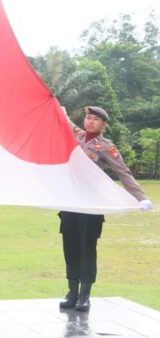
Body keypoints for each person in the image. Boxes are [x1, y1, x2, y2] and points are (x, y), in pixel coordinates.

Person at [58, 106, 153, 312]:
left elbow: (123, 172)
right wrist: (59, 109)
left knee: (87, 250)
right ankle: (72, 292)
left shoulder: (106, 146)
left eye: (95, 119)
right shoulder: (78, 136)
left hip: (92, 206)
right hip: (70, 203)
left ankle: (84, 296)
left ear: (103, 124)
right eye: (88, 118)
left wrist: (141, 197)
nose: (90, 121)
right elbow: (67, 123)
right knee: (70, 248)